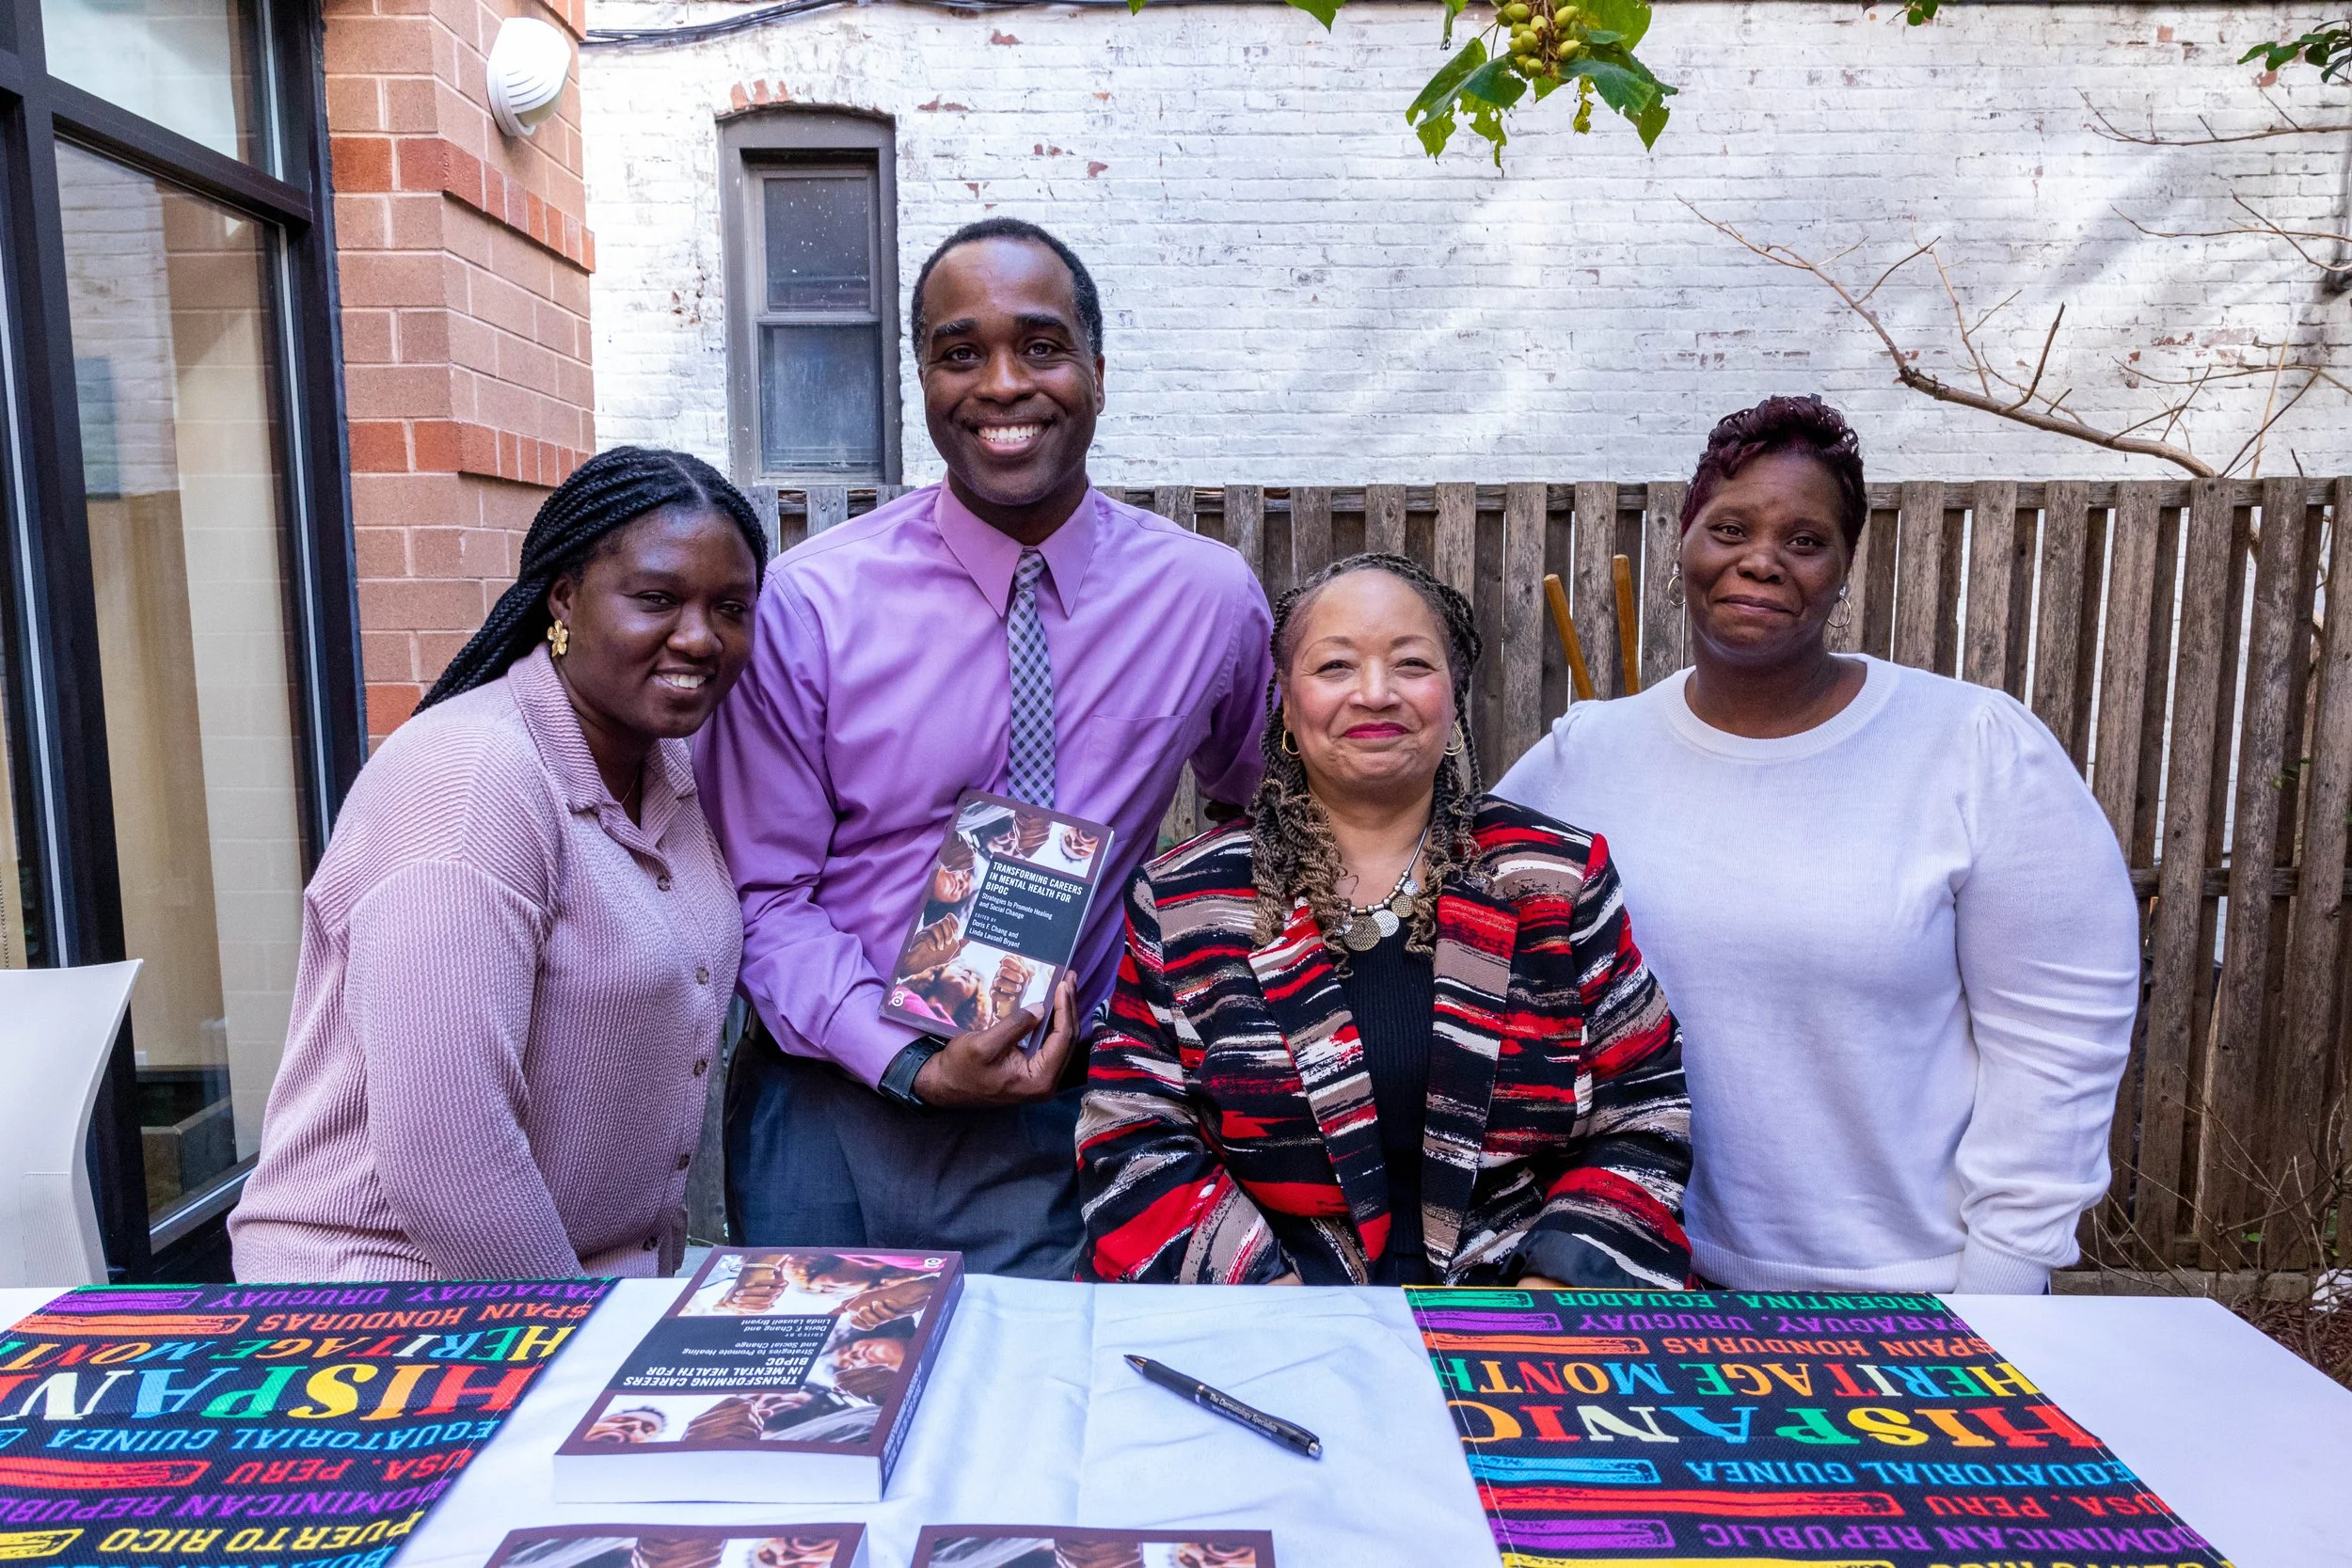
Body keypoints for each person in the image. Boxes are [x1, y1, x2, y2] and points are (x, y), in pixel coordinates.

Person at [698, 217, 1274, 1276]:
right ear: (923, 377)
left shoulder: (1207, 602)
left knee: (1040, 1421)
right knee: (811, 1429)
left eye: (1041, 346)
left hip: (1069, 1111)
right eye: (961, 353)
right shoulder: (809, 605)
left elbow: (1257, 821)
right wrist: (907, 1059)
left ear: (1097, 369)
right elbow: (763, 898)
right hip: (830, 1101)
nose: (1002, 384)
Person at [1496, 395, 2141, 1295]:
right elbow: (1448, 914)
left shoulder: (1972, 749)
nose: (1761, 560)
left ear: (1843, 568)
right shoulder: (1585, 759)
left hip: (1907, 1292)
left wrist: (2002, 1288)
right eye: (1729, 527)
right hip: (1635, 1283)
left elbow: (2061, 1039)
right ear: (1682, 544)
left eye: (1805, 540)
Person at [1077, 554, 1691, 1287]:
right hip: (1267, 1323)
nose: (1375, 693)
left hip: (1517, 1327)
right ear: (1286, 703)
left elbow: (1645, 1106)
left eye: (1410, 664)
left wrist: (1551, 1294)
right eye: (1335, 666)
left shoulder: (1553, 880)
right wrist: (1268, 1305)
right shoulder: (1187, 898)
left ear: (1452, 693)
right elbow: (1130, 1127)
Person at [230, 448, 767, 1281]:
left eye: (729, 607)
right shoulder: (471, 780)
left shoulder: (662, 771)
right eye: (657, 598)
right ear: (563, 599)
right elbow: (449, 1148)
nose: (700, 637)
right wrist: (571, 1337)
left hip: (576, 1290)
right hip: (395, 1300)